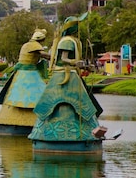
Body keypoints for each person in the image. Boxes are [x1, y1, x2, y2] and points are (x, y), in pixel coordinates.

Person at [29, 13, 103, 141]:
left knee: (85, 103)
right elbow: (64, 59)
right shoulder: (67, 41)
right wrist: (75, 62)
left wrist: (85, 66)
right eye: (76, 26)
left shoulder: (74, 41)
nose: (78, 29)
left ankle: (88, 132)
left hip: (72, 74)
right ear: (71, 28)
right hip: (64, 74)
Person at [0, 28, 49, 134]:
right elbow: (43, 54)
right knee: (33, 95)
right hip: (29, 73)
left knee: (15, 93)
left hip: (21, 73)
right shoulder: (34, 45)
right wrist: (54, 57)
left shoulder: (26, 45)